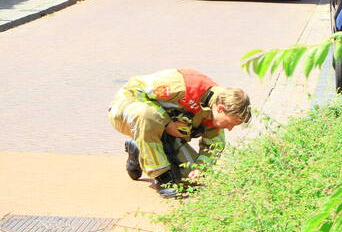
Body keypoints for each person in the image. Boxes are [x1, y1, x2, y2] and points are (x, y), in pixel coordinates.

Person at [108, 68, 251, 198]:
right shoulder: (184, 85)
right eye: (230, 123)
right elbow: (134, 90)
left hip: (162, 130)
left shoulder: (214, 112)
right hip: (125, 111)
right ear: (220, 109)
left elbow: (214, 146)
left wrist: (200, 168)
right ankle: (163, 177)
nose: (230, 128)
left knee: (193, 182)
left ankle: (138, 149)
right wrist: (166, 122)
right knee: (147, 115)